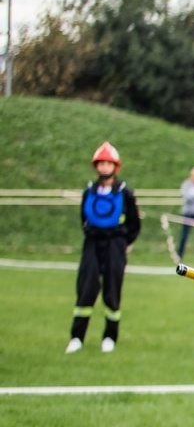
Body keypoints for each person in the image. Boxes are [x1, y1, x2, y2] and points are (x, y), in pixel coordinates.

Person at [69, 142, 140, 354]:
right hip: (92, 242)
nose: (104, 168)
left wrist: (122, 243)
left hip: (115, 244)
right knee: (86, 289)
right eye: (100, 164)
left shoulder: (125, 192)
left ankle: (110, 337)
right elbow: (84, 218)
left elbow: (134, 224)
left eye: (108, 164)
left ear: (115, 167)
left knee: (112, 289)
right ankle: (76, 338)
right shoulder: (89, 191)